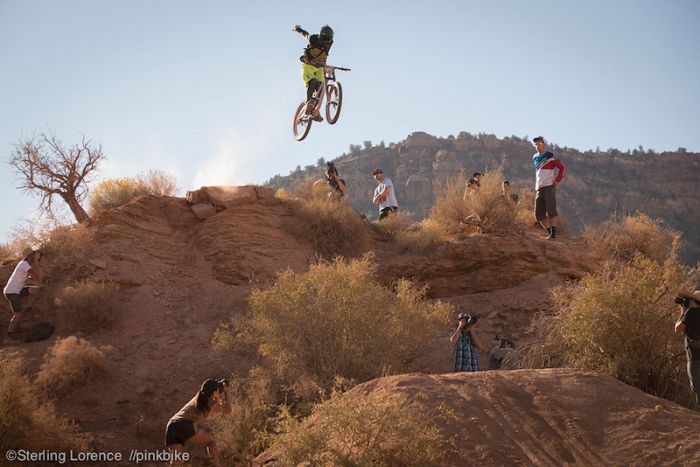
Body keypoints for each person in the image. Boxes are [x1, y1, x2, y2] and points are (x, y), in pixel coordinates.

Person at [165, 378, 232, 466]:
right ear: (214, 391)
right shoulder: (211, 403)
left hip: (171, 425)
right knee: (211, 443)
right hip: (185, 424)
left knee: (176, 462)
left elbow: (211, 395)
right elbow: (228, 410)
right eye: (217, 389)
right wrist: (226, 392)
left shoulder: (199, 397)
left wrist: (218, 392)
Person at [293, 24, 334, 122]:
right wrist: (298, 29)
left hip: (319, 68)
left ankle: (315, 111)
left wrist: (326, 66)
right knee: (312, 82)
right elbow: (305, 34)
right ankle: (309, 104)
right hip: (308, 65)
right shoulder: (313, 39)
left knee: (320, 86)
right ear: (321, 36)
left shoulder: (329, 43)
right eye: (325, 39)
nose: (326, 42)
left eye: (328, 39)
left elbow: (324, 56)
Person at [3, 246, 43, 339]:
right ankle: (9, 336)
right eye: (34, 254)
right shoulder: (23, 264)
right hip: (12, 292)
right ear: (29, 256)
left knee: (36, 290)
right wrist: (37, 262)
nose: (35, 256)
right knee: (18, 315)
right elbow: (36, 274)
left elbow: (38, 278)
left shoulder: (26, 265)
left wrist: (35, 278)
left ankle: (28, 307)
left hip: (17, 290)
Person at [531, 136, 566, 239]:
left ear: (544, 144)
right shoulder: (534, 157)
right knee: (539, 215)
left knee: (551, 211)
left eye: (539, 143)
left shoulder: (550, 156)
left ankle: (553, 235)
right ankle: (550, 233)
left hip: (549, 186)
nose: (537, 146)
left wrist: (557, 180)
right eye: (536, 144)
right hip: (539, 188)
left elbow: (562, 167)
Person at [674, 287, 700, 408]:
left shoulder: (691, 313)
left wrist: (682, 312)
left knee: (697, 388)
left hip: (695, 357)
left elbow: (677, 329)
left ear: (693, 301)